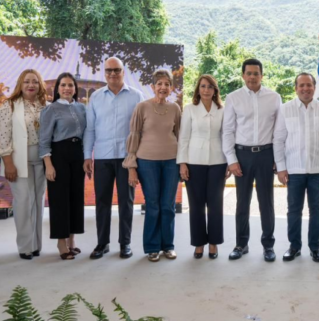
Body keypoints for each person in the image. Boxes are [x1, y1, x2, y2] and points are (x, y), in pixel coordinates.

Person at [274, 73, 319, 262]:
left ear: (314, 87)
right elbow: (278, 140)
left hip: (318, 170)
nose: (305, 88)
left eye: (309, 85)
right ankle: (294, 247)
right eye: (301, 85)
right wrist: (281, 167)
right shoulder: (285, 109)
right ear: (296, 88)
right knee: (294, 210)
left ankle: (315, 247)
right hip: (293, 170)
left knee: (317, 210)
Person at [83, 57, 144, 260]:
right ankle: (102, 243)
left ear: (123, 72)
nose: (113, 74)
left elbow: (141, 129)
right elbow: (90, 129)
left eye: (116, 70)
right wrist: (87, 156)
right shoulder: (96, 97)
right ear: (104, 73)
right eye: (109, 70)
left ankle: (125, 243)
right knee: (102, 201)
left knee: (127, 201)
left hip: (128, 158)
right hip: (103, 156)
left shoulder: (137, 96)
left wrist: (137, 158)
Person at [222, 59, 281, 262]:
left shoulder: (274, 98)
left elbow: (279, 132)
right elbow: (228, 130)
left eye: (256, 73)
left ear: (262, 75)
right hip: (242, 156)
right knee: (242, 203)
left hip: (266, 154)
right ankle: (241, 244)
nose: (252, 77)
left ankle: (268, 245)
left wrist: (277, 158)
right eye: (249, 73)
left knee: (267, 203)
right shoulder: (233, 98)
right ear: (243, 75)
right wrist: (231, 160)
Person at [124, 69, 181, 262]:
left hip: (172, 162)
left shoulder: (175, 109)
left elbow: (180, 136)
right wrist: (132, 167)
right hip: (147, 162)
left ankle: (168, 246)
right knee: (153, 205)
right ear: (153, 86)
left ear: (171, 87)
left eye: (167, 84)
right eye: (159, 84)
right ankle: (152, 247)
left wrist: (183, 163)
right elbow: (134, 136)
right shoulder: (142, 107)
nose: (163, 87)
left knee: (168, 205)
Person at [0, 69, 47, 260]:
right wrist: (8, 164)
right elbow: (2, 138)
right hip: (18, 162)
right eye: (27, 82)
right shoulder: (8, 106)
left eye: (35, 82)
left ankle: (36, 245)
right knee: (24, 201)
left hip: (42, 161)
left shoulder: (45, 106)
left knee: (38, 201)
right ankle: (25, 246)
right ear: (20, 84)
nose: (31, 85)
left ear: (40, 85)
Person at [177, 74, 229, 259]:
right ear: (198, 89)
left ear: (215, 90)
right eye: (203, 86)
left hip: (218, 162)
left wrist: (229, 161)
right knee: (196, 204)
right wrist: (182, 163)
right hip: (194, 162)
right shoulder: (190, 109)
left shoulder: (222, 110)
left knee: (215, 204)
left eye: (210, 86)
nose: (206, 90)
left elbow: (226, 136)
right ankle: (199, 243)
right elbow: (183, 137)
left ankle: (214, 243)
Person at [39, 73, 87, 260]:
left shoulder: (81, 108)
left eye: (70, 85)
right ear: (57, 89)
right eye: (63, 85)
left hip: (78, 154)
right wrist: (48, 165)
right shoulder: (50, 109)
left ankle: (72, 240)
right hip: (59, 155)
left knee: (76, 197)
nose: (67, 88)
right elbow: (44, 140)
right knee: (59, 199)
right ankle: (61, 242)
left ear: (75, 88)